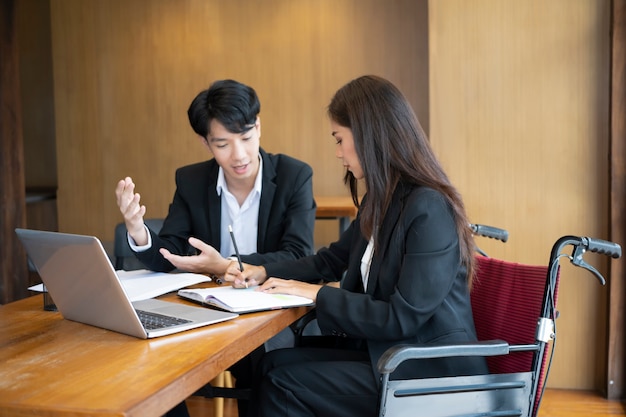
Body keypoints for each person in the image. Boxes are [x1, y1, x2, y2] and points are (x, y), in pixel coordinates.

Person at [225, 75, 489, 417]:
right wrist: (263, 272)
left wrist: (315, 294)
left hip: (428, 369)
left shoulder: (428, 207)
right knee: (270, 367)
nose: (337, 153)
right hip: (389, 354)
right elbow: (330, 260)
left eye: (339, 140)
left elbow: (401, 317)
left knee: (282, 383)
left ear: (368, 135)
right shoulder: (379, 201)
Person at [114, 79, 316, 417]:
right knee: (152, 366)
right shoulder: (191, 180)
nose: (239, 155)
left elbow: (298, 254)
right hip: (205, 308)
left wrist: (226, 266)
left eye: (247, 138)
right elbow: (170, 253)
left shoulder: (294, 176)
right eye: (222, 143)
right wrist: (139, 231)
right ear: (206, 142)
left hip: (269, 307)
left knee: (265, 369)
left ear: (259, 127)